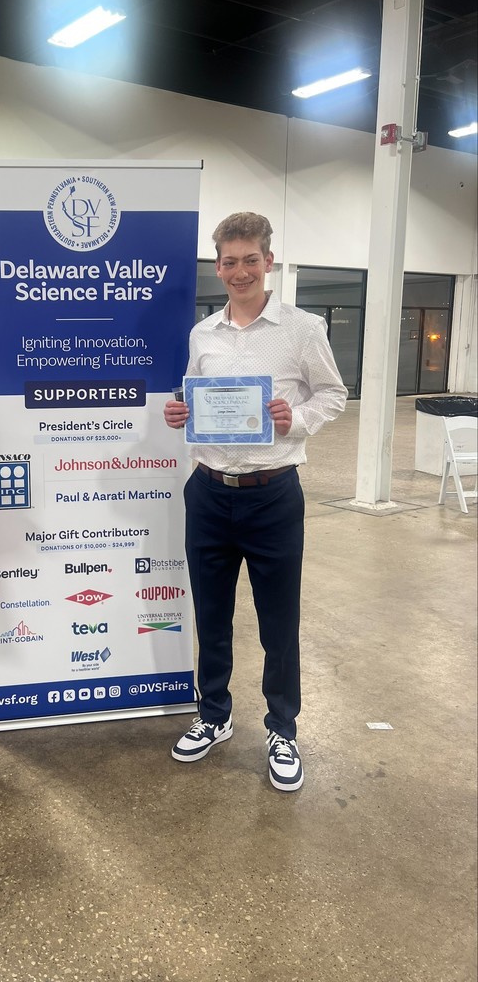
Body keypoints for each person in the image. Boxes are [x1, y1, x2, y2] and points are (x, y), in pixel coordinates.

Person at [164, 213, 347, 791]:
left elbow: (334, 393)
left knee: (278, 621)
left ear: (268, 261)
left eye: (250, 260)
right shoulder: (203, 334)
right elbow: (193, 392)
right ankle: (214, 715)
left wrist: (297, 421)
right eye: (229, 261)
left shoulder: (302, 328)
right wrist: (180, 411)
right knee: (211, 615)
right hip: (208, 492)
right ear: (218, 266)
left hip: (273, 496)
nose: (239, 271)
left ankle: (282, 729)